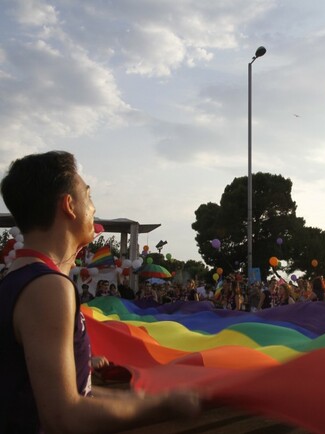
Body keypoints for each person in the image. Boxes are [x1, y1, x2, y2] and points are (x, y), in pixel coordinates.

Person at [0, 151, 201, 433]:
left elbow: (54, 394)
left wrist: (133, 397)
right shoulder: (47, 288)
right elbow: (64, 415)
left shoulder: (20, 278)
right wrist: (164, 407)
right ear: (69, 205)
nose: (93, 208)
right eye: (89, 195)